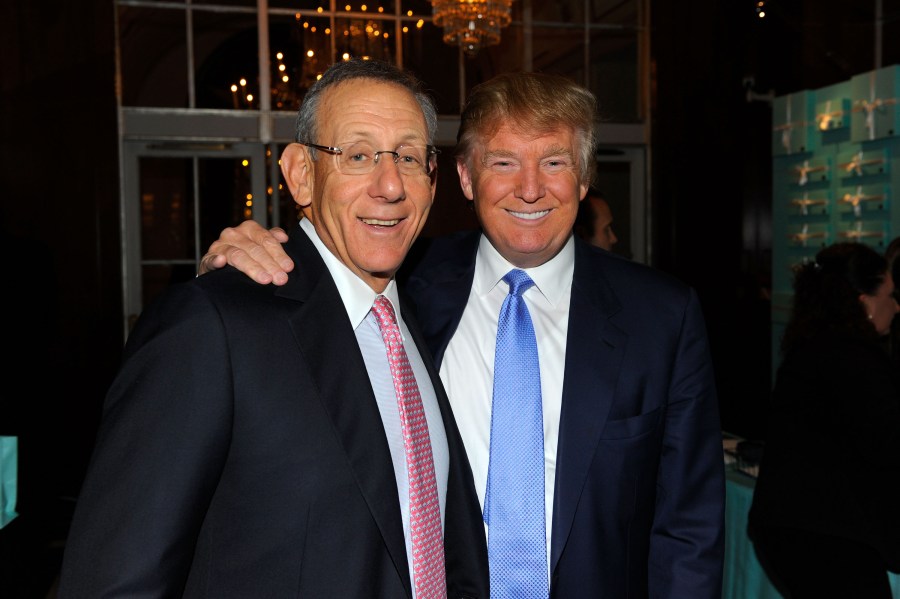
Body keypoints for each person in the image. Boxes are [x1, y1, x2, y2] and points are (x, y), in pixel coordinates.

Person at [202, 71, 725, 596]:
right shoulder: (398, 285)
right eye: (503, 162)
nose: (529, 188)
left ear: (584, 179)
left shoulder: (661, 316)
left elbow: (690, 526)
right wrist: (243, 263)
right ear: (465, 177)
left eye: (554, 162)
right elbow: (302, 300)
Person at [57, 59, 489, 598]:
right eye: (357, 155)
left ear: (431, 178)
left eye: (408, 156)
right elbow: (115, 582)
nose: (390, 185)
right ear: (301, 174)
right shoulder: (212, 328)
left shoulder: (414, 321)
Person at [748, 242, 900, 598]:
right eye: (889, 295)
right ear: (863, 304)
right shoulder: (858, 363)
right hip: (832, 538)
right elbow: (888, 449)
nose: (896, 306)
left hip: (787, 529)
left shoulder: (810, 350)